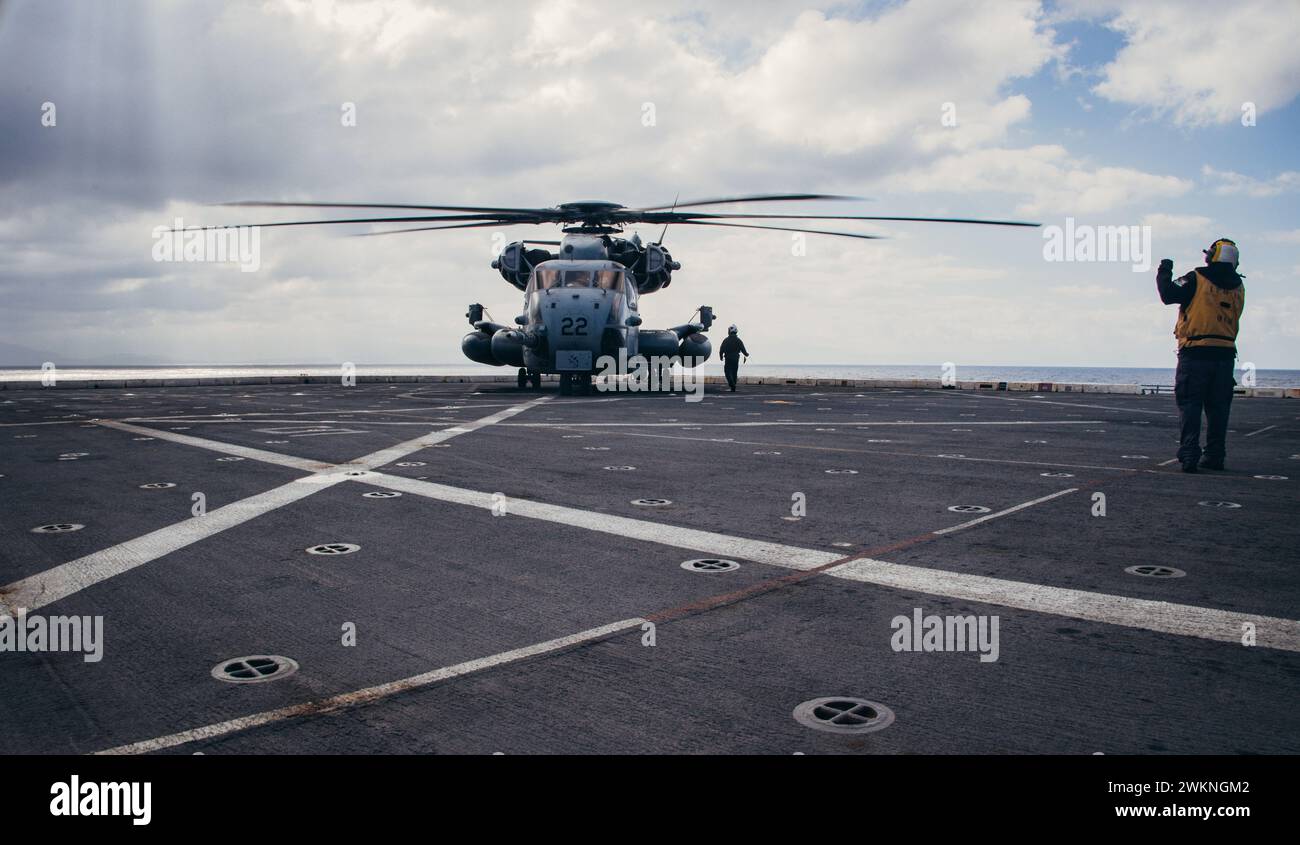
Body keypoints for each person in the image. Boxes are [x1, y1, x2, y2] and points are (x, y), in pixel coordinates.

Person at [1156, 238, 1245, 473]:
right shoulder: (1238, 286)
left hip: (1195, 353)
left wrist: (1164, 269)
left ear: (1212, 256)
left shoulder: (1197, 278)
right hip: (1225, 356)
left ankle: (1189, 453)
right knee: (1218, 408)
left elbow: (1167, 294)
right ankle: (1215, 456)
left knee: (1190, 404)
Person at [718, 324, 749, 392]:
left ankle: (732, 384)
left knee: (727, 371)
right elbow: (743, 349)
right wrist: (746, 354)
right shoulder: (738, 340)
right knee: (734, 372)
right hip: (736, 358)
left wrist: (720, 356)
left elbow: (721, 349)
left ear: (730, 331)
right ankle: (733, 386)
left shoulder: (726, 340)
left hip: (728, 357)